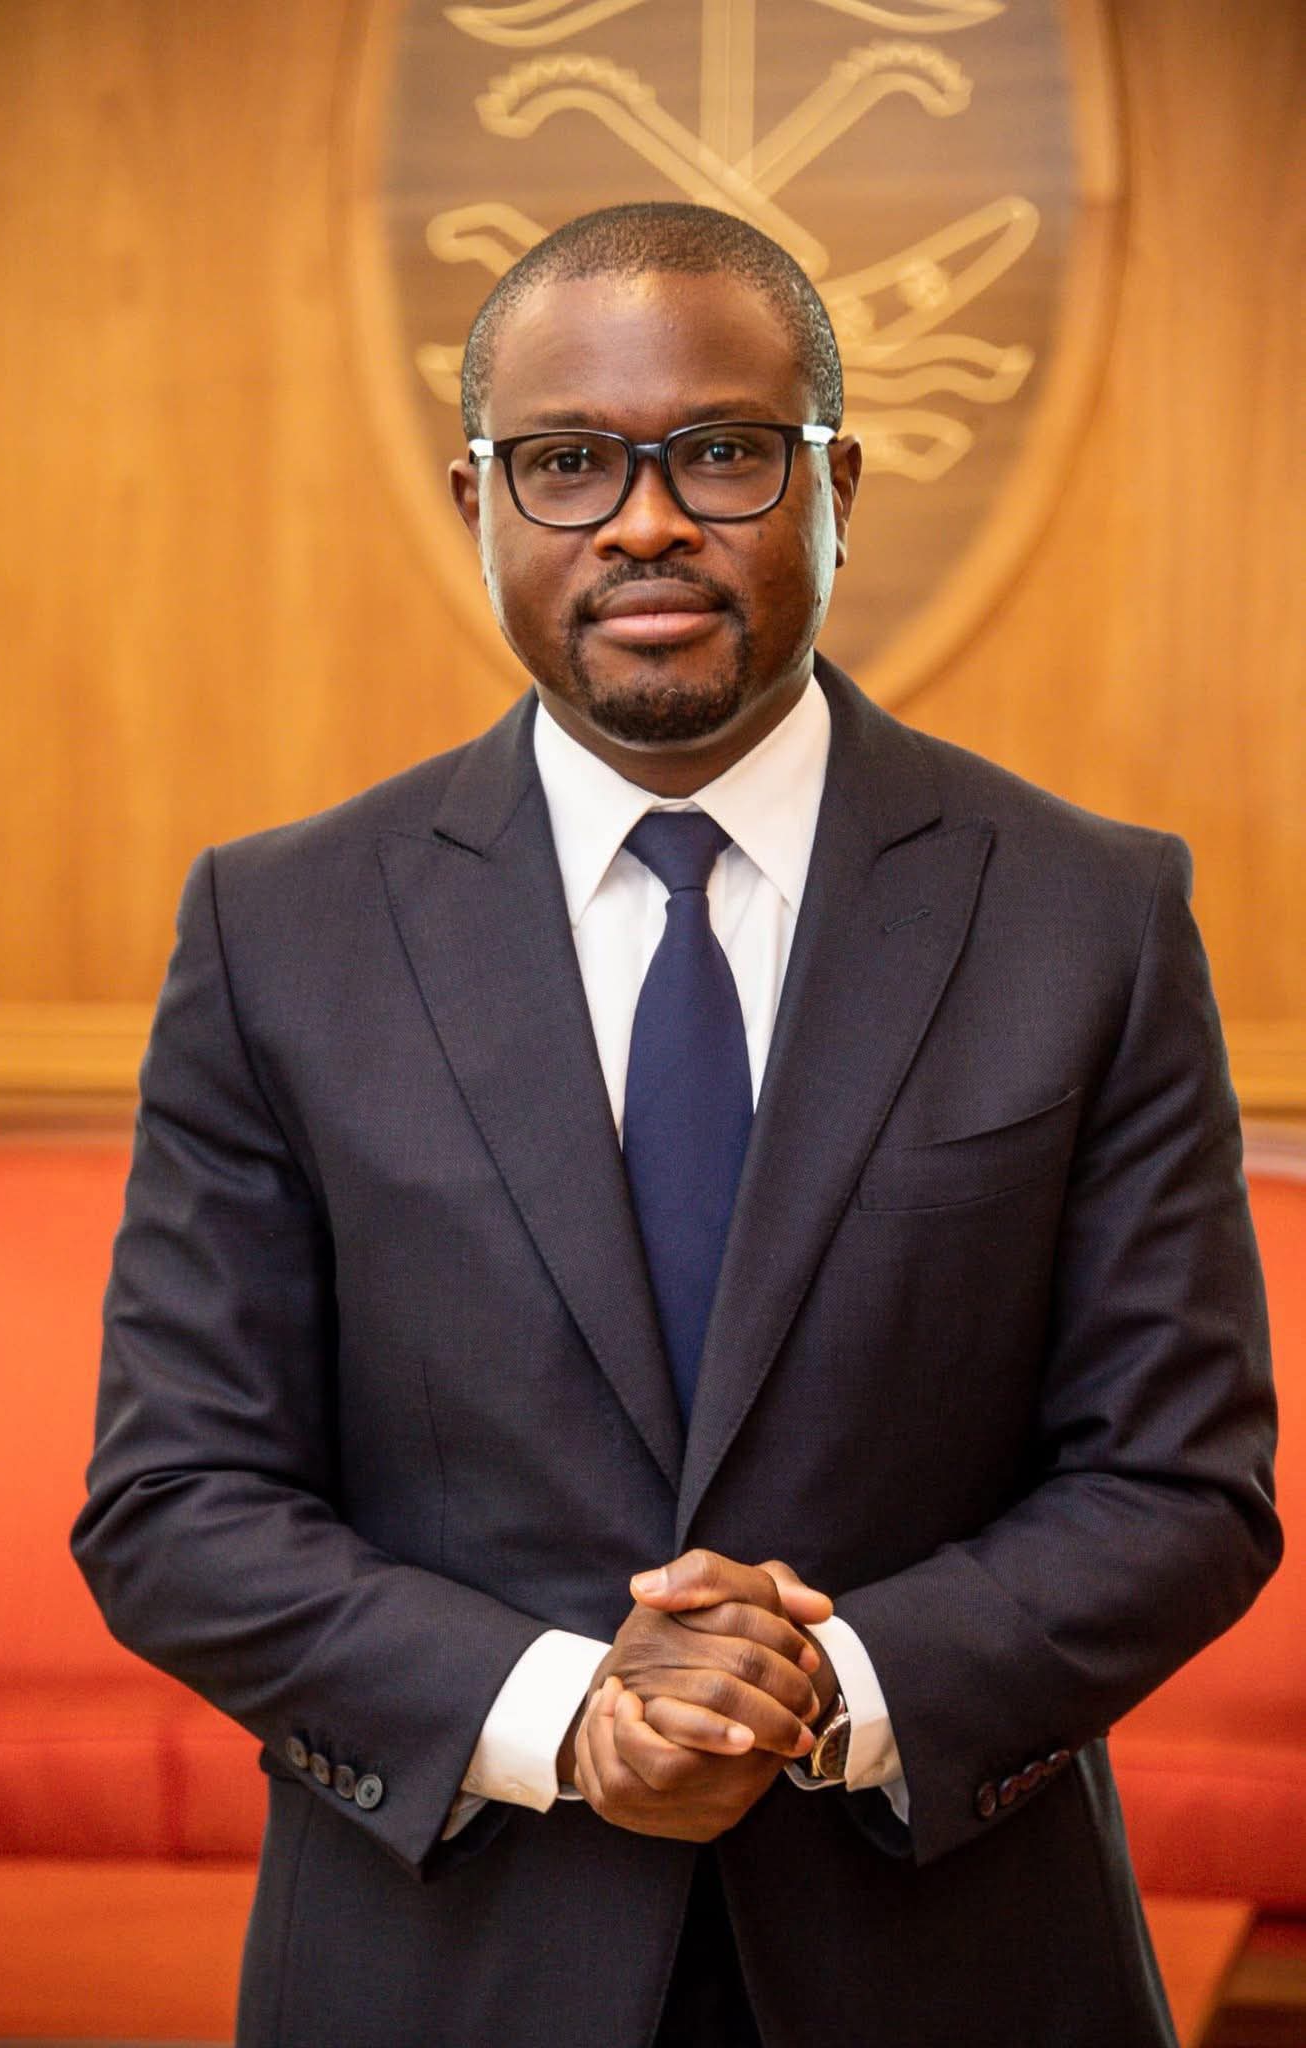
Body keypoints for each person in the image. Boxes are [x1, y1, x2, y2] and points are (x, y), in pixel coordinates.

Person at [71, 202, 1280, 2048]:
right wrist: (573, 1717)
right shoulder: (278, 929)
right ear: (478, 501)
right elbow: (177, 1499)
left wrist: (823, 1693)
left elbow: (1179, 1485)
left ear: (835, 487)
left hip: (952, 1958)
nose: (643, 522)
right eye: (565, 463)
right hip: (444, 1962)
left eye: (720, 452)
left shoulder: (1085, 914)